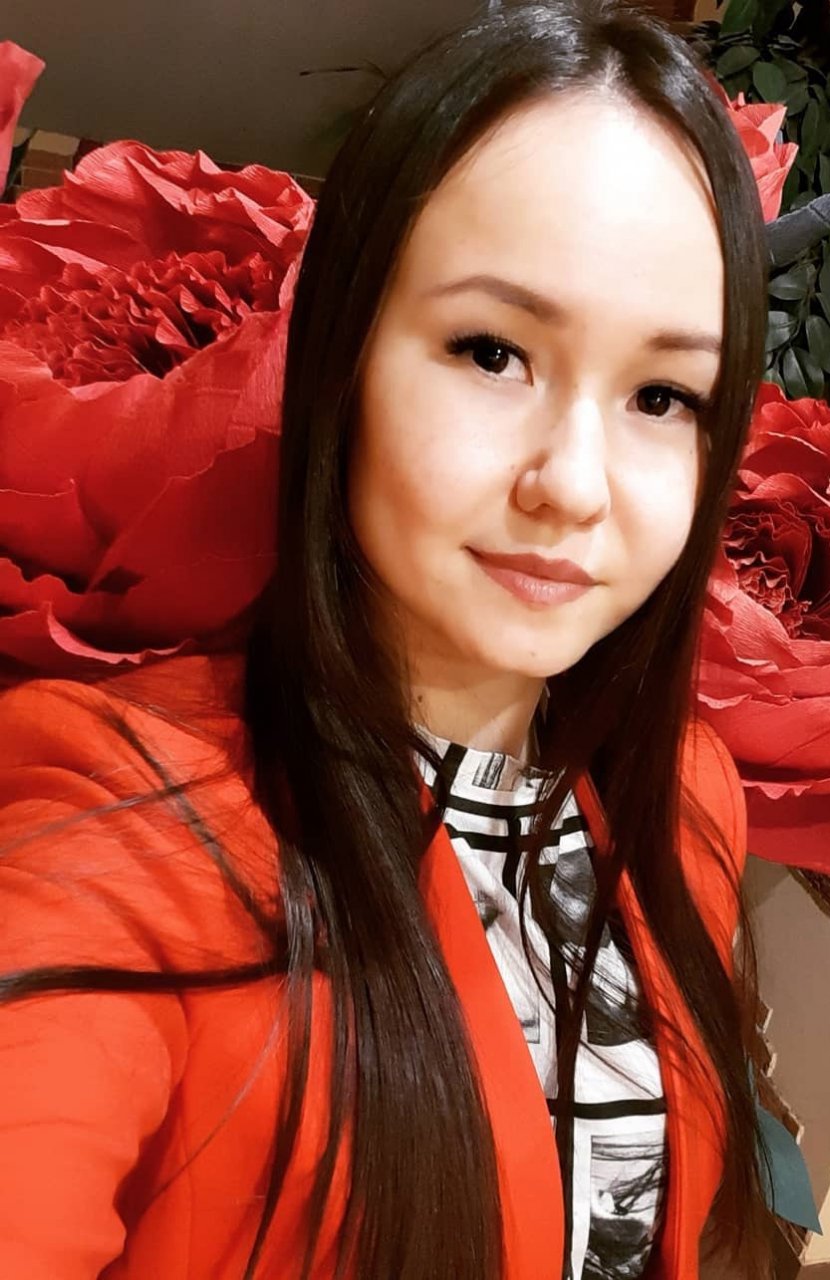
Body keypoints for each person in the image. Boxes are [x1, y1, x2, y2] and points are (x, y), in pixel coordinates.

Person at [0, 1, 772, 1277]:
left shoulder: (684, 796)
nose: (573, 484)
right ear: (342, 357)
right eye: (491, 351)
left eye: (660, 394)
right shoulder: (128, 827)